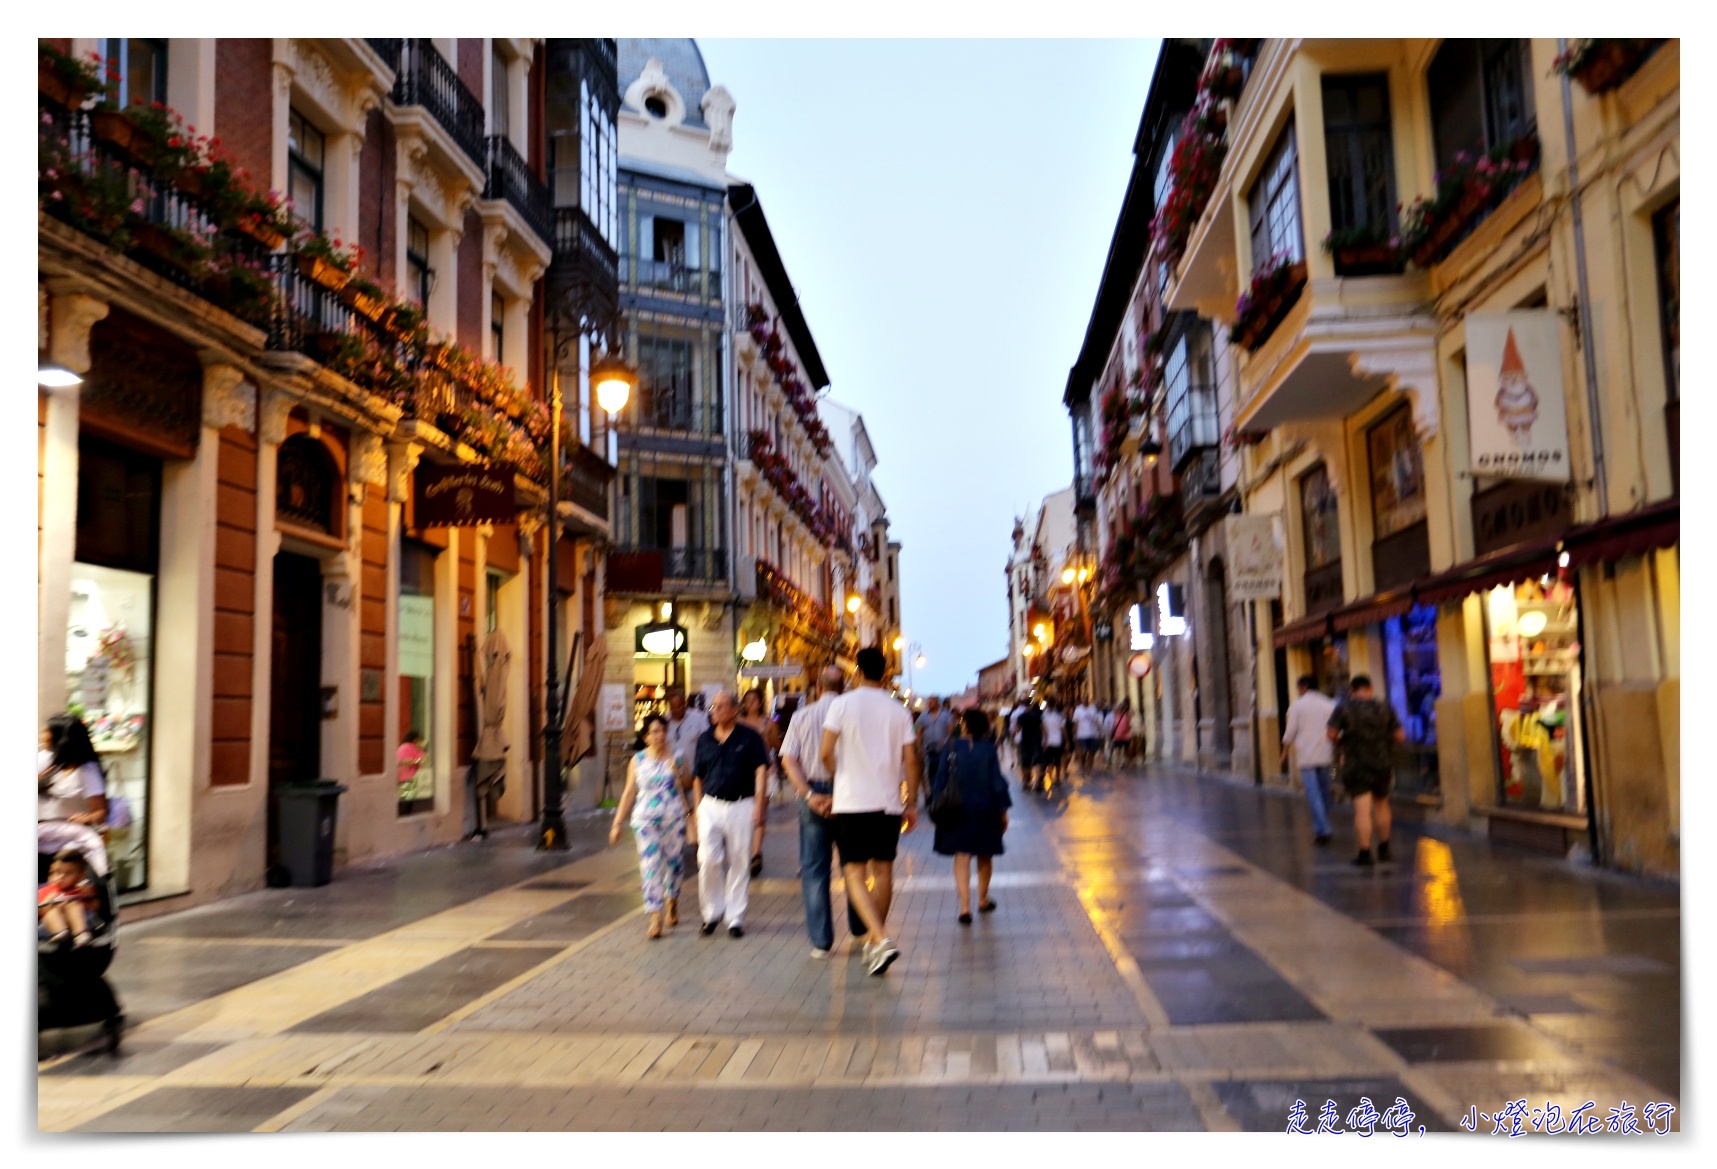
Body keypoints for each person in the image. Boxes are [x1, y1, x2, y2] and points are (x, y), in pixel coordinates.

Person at [820, 646, 920, 976]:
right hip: (888, 804)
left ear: (857, 671)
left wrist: (840, 774)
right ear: (885, 673)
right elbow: (911, 761)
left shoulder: (841, 705)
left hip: (851, 803)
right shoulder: (899, 711)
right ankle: (875, 944)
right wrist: (912, 802)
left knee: (853, 874)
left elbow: (825, 753)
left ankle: (879, 938)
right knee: (884, 873)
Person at [780, 665, 868, 958]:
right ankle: (859, 927)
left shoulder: (802, 716)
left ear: (818, 687)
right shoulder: (854, 715)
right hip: (849, 795)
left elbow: (788, 760)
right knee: (852, 865)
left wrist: (808, 793)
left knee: (815, 868)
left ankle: (821, 942)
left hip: (813, 794)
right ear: (843, 687)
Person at [691, 691, 770, 936]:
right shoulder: (704, 739)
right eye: (714, 706)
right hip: (711, 805)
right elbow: (697, 776)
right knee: (707, 859)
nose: (716, 710)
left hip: (741, 804)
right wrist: (696, 808)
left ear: (735, 710)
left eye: (722, 706)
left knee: (739, 861)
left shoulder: (750, 737)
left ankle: (735, 917)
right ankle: (712, 912)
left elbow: (760, 770)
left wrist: (758, 804)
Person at [608, 714, 691, 938]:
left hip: (673, 818)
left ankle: (671, 898)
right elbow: (628, 792)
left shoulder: (678, 756)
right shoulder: (638, 761)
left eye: (662, 731)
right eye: (654, 732)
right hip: (645, 820)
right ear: (646, 737)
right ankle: (655, 915)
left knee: (674, 864)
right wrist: (617, 824)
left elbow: (688, 783)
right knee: (650, 865)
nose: (659, 735)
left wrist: (678, 772)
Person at [932, 709, 1012, 924]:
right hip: (986, 808)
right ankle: (983, 900)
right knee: (985, 855)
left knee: (962, 855)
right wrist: (1003, 811)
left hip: (957, 809)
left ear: (965, 725)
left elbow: (940, 780)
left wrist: (936, 807)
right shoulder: (988, 749)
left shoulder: (951, 747)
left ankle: (965, 908)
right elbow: (997, 782)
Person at [1328, 675, 1406, 867]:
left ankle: (1364, 853)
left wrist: (1343, 742)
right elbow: (1400, 736)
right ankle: (1384, 848)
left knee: (1362, 810)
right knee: (1382, 805)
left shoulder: (1344, 707)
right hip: (1382, 763)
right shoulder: (1384, 707)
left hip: (1356, 764)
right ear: (1370, 689)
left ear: (1352, 690)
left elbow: (1331, 734)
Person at [1280, 674, 1339, 846]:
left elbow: (1290, 731)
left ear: (1304, 687)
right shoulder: (1330, 704)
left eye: (1298, 688)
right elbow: (1337, 728)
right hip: (1326, 755)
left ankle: (1323, 829)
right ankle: (1322, 823)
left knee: (1313, 794)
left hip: (1306, 757)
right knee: (1324, 791)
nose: (1298, 692)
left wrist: (1284, 753)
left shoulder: (1298, 706)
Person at [738, 687, 778, 877]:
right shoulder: (738, 722)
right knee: (744, 814)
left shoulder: (768, 722)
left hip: (764, 770)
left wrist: (765, 736)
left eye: (754, 699)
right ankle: (747, 851)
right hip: (743, 771)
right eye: (747, 699)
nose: (750, 703)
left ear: (761, 702)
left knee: (760, 812)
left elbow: (776, 744)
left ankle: (755, 854)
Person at [39, 848, 105, 948]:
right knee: (49, 910)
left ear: (80, 876)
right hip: (51, 928)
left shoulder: (83, 890)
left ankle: (81, 935)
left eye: (68, 873)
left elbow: (96, 908)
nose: (60, 877)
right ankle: (61, 932)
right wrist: (48, 902)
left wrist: (88, 898)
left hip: (82, 924)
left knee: (73, 904)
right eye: (56, 872)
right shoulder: (46, 890)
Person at [914, 696, 955, 807]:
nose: (930, 704)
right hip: (929, 748)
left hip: (943, 749)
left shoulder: (946, 714)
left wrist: (947, 739)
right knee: (931, 772)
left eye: (932, 702)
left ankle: (943, 794)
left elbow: (951, 727)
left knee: (943, 771)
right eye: (929, 702)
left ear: (938, 703)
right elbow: (919, 731)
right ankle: (934, 795)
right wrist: (919, 747)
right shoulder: (923, 716)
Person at [1016, 701, 1044, 790]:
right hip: (1036, 741)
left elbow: (1017, 730)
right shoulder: (1036, 716)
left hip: (1025, 742)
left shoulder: (1021, 717)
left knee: (1025, 763)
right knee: (1037, 762)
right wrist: (1045, 739)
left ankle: (1026, 782)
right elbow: (1042, 728)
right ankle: (1038, 781)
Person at [1040, 702, 1068, 786]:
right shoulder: (1060, 715)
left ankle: (1050, 777)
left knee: (1049, 761)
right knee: (1057, 761)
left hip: (1048, 742)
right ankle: (1058, 779)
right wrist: (1067, 740)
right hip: (1058, 741)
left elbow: (1042, 728)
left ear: (1047, 705)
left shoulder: (1043, 715)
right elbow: (1063, 729)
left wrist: (1044, 739)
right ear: (1054, 705)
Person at [1072, 700, 1102, 773]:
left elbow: (1096, 721)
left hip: (1092, 735)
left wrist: (1099, 731)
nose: (1085, 700)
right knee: (1083, 752)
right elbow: (1076, 722)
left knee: (1092, 752)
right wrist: (1075, 734)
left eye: (1086, 698)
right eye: (1084, 699)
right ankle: (1082, 765)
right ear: (1082, 700)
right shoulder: (1078, 710)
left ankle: (1089, 768)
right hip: (1082, 735)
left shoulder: (1092, 710)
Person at [1111, 700, 1133, 768]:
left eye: (1121, 708)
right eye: (1118, 709)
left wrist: (1125, 730)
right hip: (1117, 736)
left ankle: (1129, 761)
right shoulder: (1115, 716)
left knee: (1127, 750)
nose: (1119, 710)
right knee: (1118, 750)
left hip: (1125, 736)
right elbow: (1114, 726)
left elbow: (1129, 725)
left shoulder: (1126, 716)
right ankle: (1121, 762)